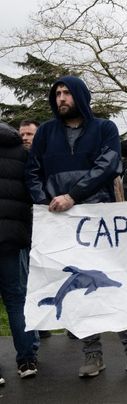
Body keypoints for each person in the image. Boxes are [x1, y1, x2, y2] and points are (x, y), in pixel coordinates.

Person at [25, 76, 127, 377]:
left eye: (67, 92)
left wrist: (73, 195)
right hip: (61, 224)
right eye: (56, 93)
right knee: (78, 291)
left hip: (99, 220)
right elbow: (32, 172)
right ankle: (92, 353)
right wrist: (47, 201)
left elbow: (107, 166)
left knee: (113, 283)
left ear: (80, 95)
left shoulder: (104, 129)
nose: (61, 98)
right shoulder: (45, 133)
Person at [0, 122, 39, 384]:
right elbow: (33, 192)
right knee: (16, 300)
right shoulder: (22, 153)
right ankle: (26, 359)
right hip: (12, 240)